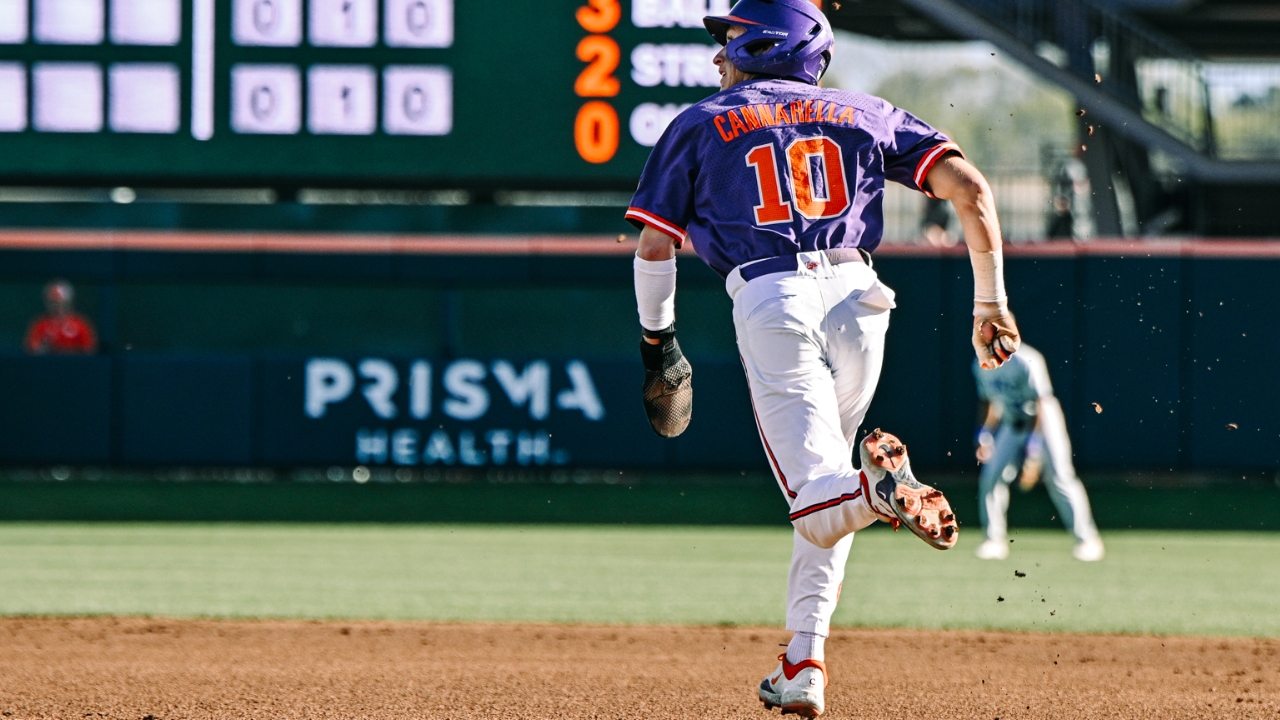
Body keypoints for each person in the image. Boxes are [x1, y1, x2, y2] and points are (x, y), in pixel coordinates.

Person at [625, 1, 1020, 716]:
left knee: (821, 502)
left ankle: (880, 493)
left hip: (774, 297)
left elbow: (655, 248)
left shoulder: (699, 123)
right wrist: (989, 304)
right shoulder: (866, 112)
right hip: (862, 300)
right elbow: (971, 189)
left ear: (771, 46)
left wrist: (659, 344)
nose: (720, 57)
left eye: (733, 40)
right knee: (830, 489)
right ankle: (804, 663)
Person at [973, 343, 1104, 562]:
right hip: (1011, 422)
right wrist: (985, 435)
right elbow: (991, 401)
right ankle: (993, 540)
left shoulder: (1026, 359)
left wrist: (1033, 452)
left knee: (1060, 477)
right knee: (991, 477)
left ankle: (1088, 539)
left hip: (1044, 421)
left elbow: (1040, 402)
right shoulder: (980, 363)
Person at [24, 279, 97, 355]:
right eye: (54, 302)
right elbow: (31, 349)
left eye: (62, 302)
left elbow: (89, 350)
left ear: (69, 302)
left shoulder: (80, 324)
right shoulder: (40, 324)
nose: (58, 306)